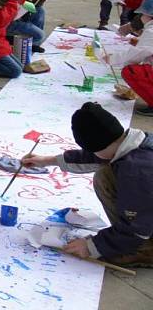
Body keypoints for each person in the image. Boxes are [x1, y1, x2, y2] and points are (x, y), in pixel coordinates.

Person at [22, 102, 153, 268]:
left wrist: (93, 246)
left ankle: (145, 249)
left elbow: (137, 226)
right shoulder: (131, 142)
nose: (93, 154)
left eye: (93, 150)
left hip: (143, 222)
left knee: (105, 177)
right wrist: (47, 161)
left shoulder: (137, 172)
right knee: (106, 174)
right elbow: (94, 157)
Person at [104, 0, 153, 117]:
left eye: (143, 14)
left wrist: (113, 58)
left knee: (131, 71)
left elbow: (137, 54)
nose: (141, 17)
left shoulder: (151, 31)